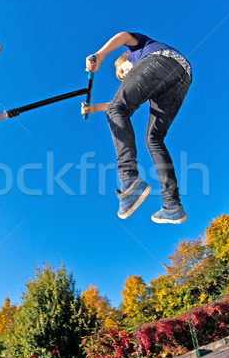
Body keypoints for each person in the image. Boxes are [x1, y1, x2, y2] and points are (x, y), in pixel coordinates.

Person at [82, 31, 192, 224]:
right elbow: (117, 104)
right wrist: (93, 108)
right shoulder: (148, 78)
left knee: (117, 109)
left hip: (161, 60)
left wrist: (100, 55)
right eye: (122, 77)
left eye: (123, 71)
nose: (125, 76)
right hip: (182, 75)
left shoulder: (137, 50)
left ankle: (129, 180)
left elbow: (124, 35)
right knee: (153, 138)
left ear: (126, 59)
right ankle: (172, 205)